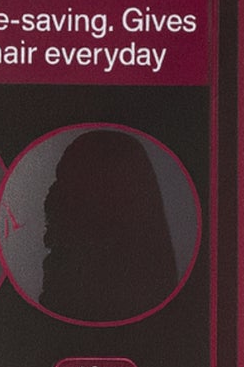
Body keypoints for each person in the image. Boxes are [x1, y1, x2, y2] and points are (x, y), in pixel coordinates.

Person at [37, 129, 180, 320]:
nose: (52, 195)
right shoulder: (66, 264)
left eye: (70, 185)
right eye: (61, 182)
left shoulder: (121, 279)